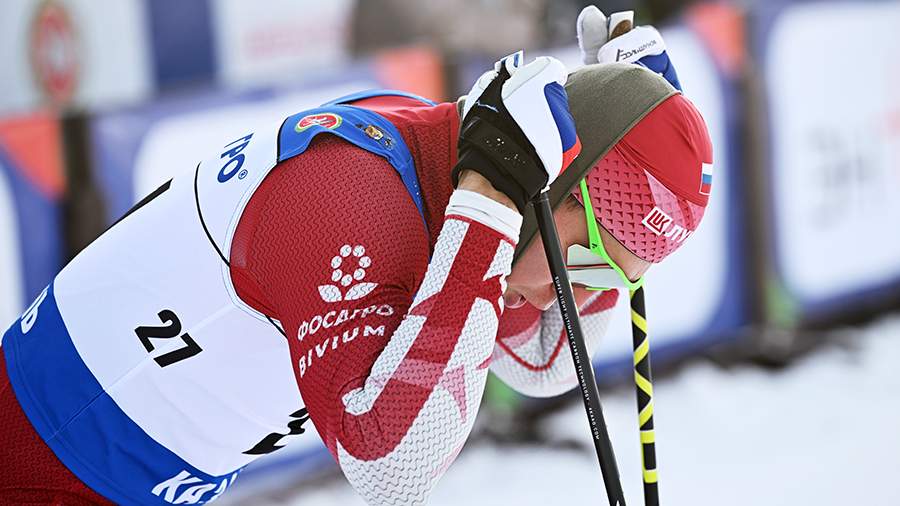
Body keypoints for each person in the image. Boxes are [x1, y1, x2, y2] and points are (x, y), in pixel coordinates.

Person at [0, 8, 712, 506]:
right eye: (587, 266)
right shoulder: (353, 195)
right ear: (548, 180)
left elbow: (545, 360)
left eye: (614, 282)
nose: (573, 297)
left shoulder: (465, 182)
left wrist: (639, 113)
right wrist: (494, 200)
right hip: (46, 466)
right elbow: (393, 470)